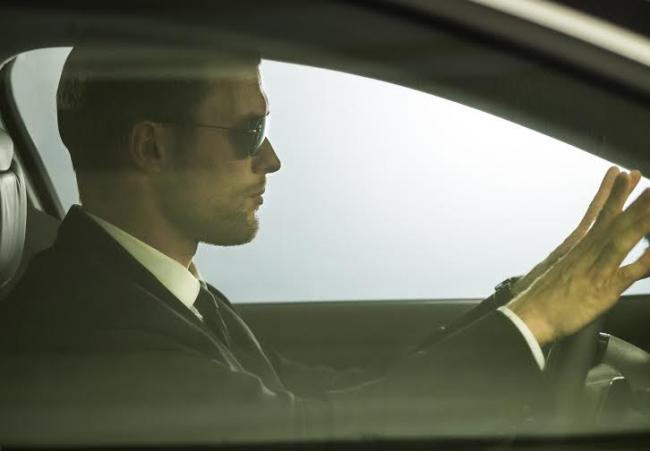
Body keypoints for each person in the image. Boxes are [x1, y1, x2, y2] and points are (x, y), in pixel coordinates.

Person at [0, 45, 648, 443]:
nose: (272, 160)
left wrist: (526, 298)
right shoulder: (90, 328)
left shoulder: (150, 290)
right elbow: (316, 435)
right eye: (249, 133)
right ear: (152, 147)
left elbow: (339, 391)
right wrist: (535, 321)